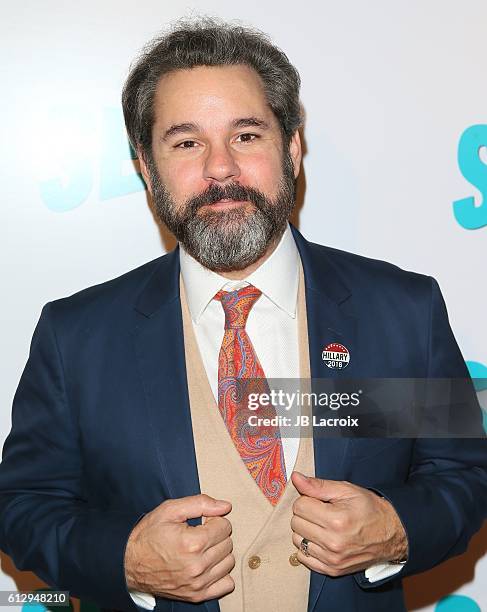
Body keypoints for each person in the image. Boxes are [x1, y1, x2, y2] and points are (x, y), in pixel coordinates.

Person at [0, 16, 486, 612]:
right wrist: (123, 556)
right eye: (186, 142)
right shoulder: (75, 338)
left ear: (293, 148)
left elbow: (466, 478)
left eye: (247, 135)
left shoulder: (402, 311)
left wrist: (397, 529)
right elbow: (24, 505)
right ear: (147, 170)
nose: (220, 168)